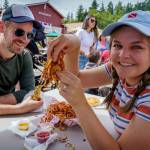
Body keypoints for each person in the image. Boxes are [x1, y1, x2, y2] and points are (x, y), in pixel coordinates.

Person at [48, 10, 150, 149]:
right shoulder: (117, 69)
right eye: (118, 45)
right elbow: (77, 79)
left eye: (136, 47)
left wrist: (80, 104)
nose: (123, 55)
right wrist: (74, 44)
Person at [0, 4, 43, 115]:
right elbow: (24, 98)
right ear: (2, 27)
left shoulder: (24, 56)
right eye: (19, 32)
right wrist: (19, 108)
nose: (25, 40)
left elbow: (29, 91)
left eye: (29, 35)